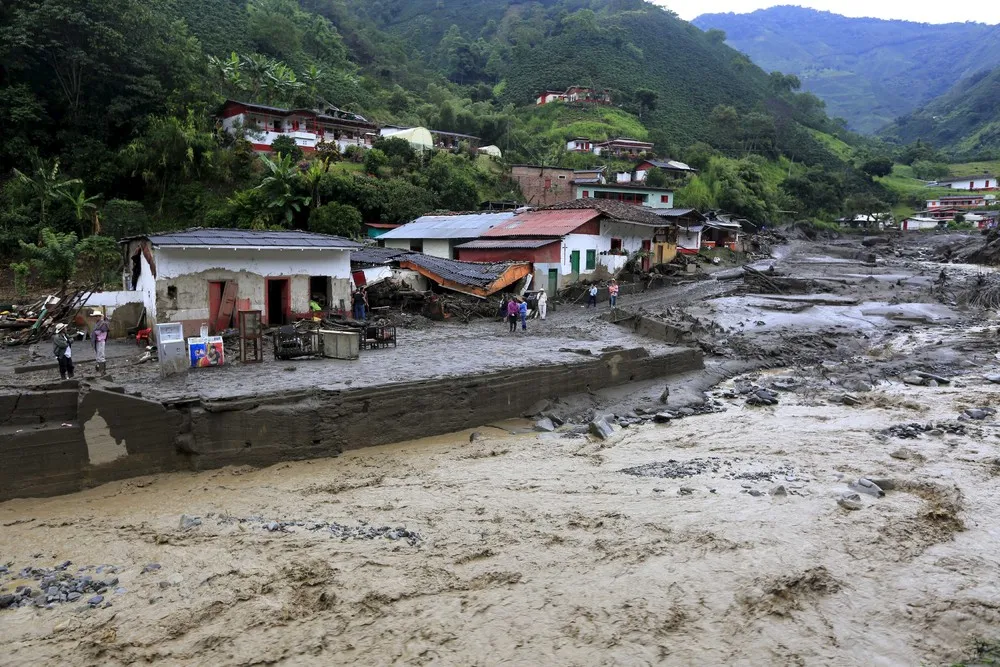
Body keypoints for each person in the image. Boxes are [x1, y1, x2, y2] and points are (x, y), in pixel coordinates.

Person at [91, 309, 110, 375]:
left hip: (100, 340)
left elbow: (102, 332)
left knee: (101, 355)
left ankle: (102, 371)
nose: (95, 317)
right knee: (98, 356)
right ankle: (101, 370)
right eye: (95, 316)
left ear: (99, 316)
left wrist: (95, 333)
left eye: (96, 316)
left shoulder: (103, 324)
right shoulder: (98, 323)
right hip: (98, 340)